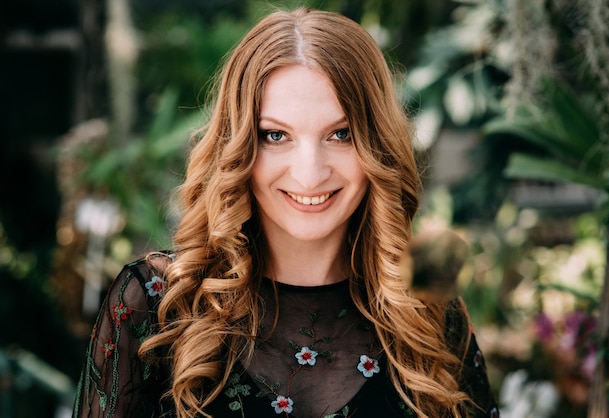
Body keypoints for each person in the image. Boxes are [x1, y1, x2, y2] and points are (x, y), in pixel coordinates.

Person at [73, 7, 499, 418]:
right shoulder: (152, 307)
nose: (310, 173)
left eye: (341, 133)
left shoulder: (430, 312)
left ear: (377, 146)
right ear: (237, 147)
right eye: (276, 135)